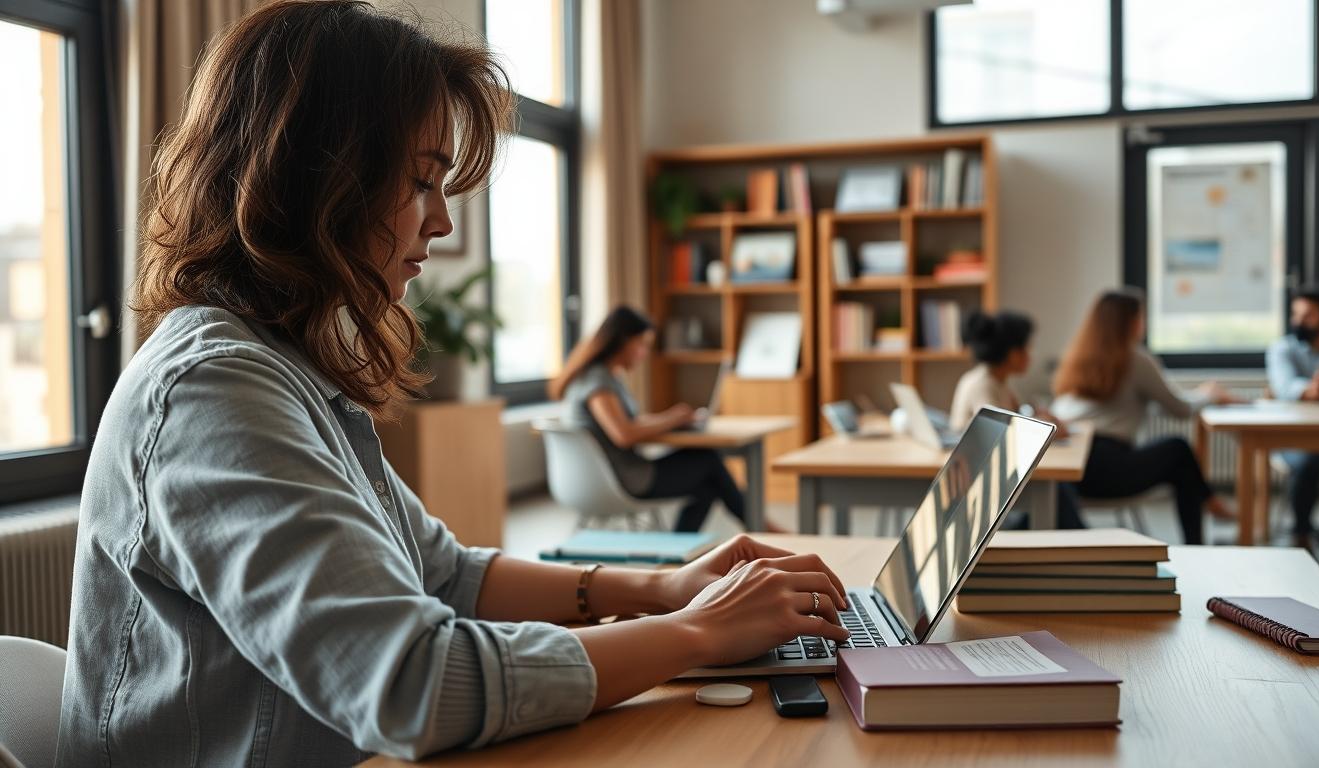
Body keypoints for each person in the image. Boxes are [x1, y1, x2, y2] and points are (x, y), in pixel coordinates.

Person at [55, 4, 849, 765]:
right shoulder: (213, 392)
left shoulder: (281, 370)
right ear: (322, 177)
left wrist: (659, 587)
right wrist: (698, 632)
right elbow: (412, 684)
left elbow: (442, 572)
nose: (442, 223)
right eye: (423, 181)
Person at [550, 306, 767, 533]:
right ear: (623, 340)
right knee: (708, 461)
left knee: (707, 483)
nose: (644, 353)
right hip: (621, 480)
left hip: (595, 480)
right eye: (642, 344)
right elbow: (623, 434)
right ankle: (760, 527)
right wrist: (672, 420)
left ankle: (686, 550)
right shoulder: (598, 383)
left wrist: (670, 418)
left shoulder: (595, 376)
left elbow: (625, 422)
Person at [1051, 288, 1239, 544]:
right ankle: (1199, 534)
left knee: (1177, 455)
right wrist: (1209, 394)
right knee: (1178, 450)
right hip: (1107, 467)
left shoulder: (1080, 356)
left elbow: (1152, 403)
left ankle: (1209, 503)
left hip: (1072, 468)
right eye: (1141, 317)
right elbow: (1180, 409)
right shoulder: (1134, 359)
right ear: (1131, 322)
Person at [951, 309, 1084, 529]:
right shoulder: (984, 385)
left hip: (993, 474)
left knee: (1060, 491)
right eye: (1028, 348)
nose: (1031, 355)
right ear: (1013, 353)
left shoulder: (997, 381)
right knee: (1057, 492)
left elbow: (1021, 416)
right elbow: (1003, 439)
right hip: (979, 484)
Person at [1265, 284, 1319, 550]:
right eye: (1295, 314)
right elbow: (1285, 387)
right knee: (1309, 461)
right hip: (1294, 439)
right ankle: (1301, 536)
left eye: (1308, 315)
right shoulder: (1282, 350)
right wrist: (1312, 390)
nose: (1299, 321)